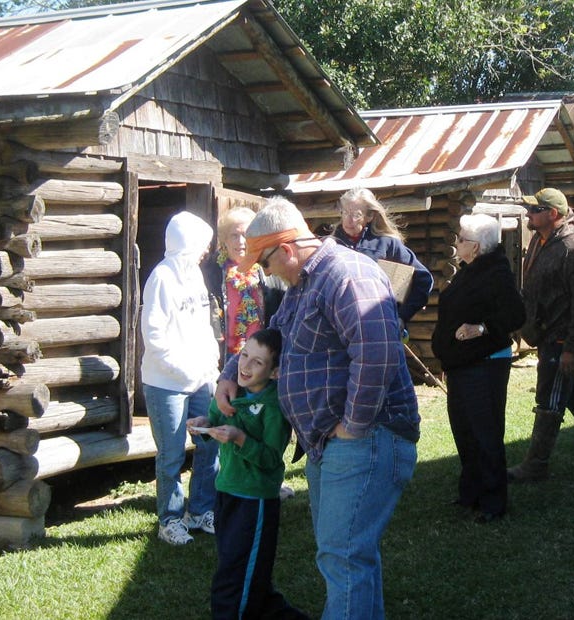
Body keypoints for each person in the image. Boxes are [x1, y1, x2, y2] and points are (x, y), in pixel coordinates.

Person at [214, 196, 420, 619]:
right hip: (333, 443)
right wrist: (230, 373)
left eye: (266, 262)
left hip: (365, 438)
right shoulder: (303, 284)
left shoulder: (347, 274)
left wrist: (352, 425)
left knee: (343, 557)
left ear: (287, 250)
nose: (267, 273)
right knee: (349, 556)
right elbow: (274, 335)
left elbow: (377, 354)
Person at [188, 329, 307, 620]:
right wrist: (203, 425)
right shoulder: (230, 392)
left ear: (275, 372)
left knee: (236, 578)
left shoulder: (274, 406)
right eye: (244, 355)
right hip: (225, 491)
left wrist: (240, 438)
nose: (245, 366)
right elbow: (215, 423)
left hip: (255, 501)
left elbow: (270, 459)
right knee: (240, 571)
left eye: (257, 362)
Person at [431, 214, 525, 523]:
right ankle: (471, 493)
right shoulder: (470, 270)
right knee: (465, 431)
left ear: (476, 246)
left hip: (485, 365)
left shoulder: (496, 272)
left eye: (461, 240)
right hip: (462, 365)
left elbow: (516, 314)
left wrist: (482, 328)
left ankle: (493, 502)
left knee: (485, 434)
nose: (456, 244)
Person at [140, 211, 220, 544]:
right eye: (202, 244)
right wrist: (183, 370)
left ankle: (200, 510)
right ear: (187, 243)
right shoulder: (161, 278)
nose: (206, 251)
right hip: (166, 384)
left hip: (200, 379)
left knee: (209, 444)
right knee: (171, 455)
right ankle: (170, 520)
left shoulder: (195, 276)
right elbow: (154, 337)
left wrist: (211, 367)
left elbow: (203, 326)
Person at [507, 187, 574, 483]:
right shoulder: (541, 241)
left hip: (561, 339)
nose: (528, 214)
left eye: (534, 210)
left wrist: (572, 348)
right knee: (567, 392)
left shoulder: (572, 248)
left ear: (553, 214)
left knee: (549, 399)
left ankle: (536, 465)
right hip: (544, 334)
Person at [333, 186, 433, 329]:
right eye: (345, 213)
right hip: (337, 326)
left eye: (356, 215)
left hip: (378, 324)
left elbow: (423, 280)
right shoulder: (330, 245)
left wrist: (402, 316)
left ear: (369, 216)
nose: (349, 220)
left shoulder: (387, 244)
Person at [205, 207, 284, 363]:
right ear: (225, 239)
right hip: (224, 356)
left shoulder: (268, 266)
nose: (240, 242)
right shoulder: (211, 270)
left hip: (262, 356)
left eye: (246, 235)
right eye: (234, 235)